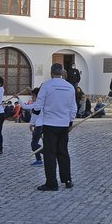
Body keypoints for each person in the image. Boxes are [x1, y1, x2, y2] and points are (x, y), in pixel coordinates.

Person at [36, 63, 78, 191]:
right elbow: (73, 108)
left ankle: (52, 183)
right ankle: (67, 180)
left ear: (51, 72)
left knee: (50, 154)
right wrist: (70, 122)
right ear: (62, 72)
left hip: (50, 124)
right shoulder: (70, 87)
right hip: (64, 124)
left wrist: (34, 120)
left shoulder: (46, 85)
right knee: (63, 153)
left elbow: (38, 104)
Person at [25, 87, 44, 166]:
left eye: (33, 96)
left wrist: (18, 98)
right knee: (34, 143)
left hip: (40, 126)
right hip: (38, 126)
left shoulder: (38, 105)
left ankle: (46, 154)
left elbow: (25, 106)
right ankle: (39, 159)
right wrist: (31, 124)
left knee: (34, 144)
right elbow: (34, 117)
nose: (31, 97)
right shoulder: (39, 103)